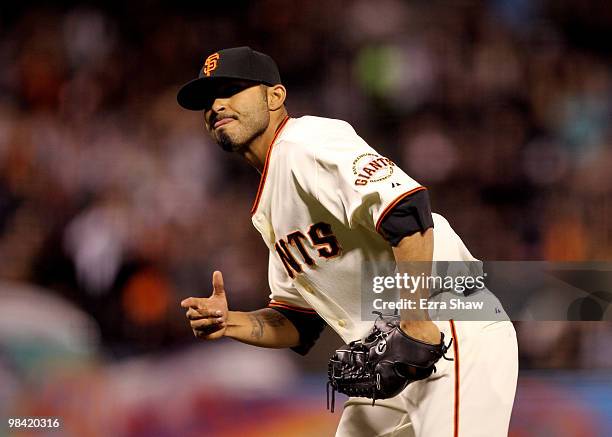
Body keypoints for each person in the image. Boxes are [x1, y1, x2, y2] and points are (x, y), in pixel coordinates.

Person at [178, 46, 518, 437]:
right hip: (394, 354)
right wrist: (230, 322)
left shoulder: (306, 142)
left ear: (275, 96)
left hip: (449, 324)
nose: (217, 104)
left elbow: (406, 209)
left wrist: (416, 321)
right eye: (208, 99)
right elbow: (297, 322)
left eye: (232, 89)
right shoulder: (271, 203)